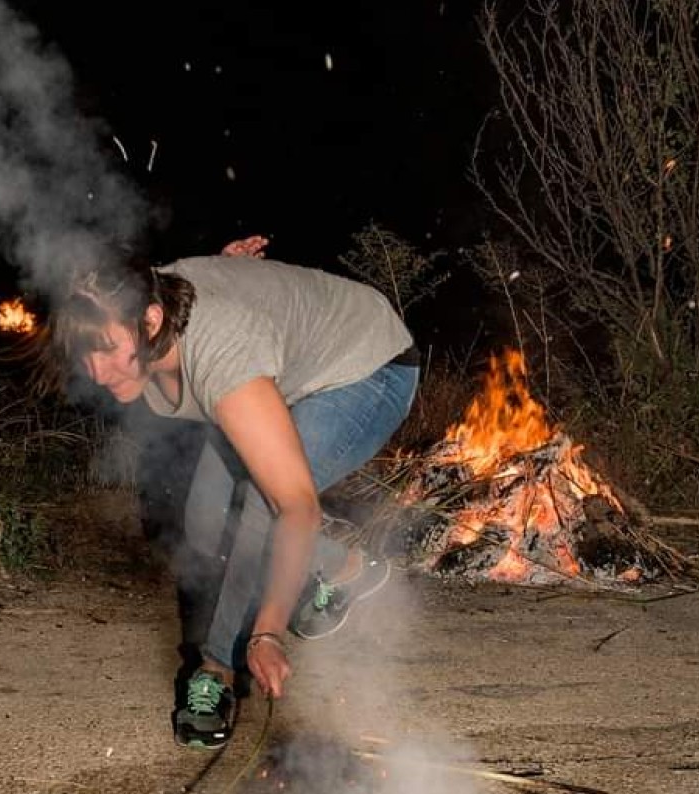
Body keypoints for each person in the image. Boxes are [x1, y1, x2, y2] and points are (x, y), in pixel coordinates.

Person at [42, 237, 419, 749]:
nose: (97, 373)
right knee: (204, 519)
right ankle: (345, 568)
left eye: (107, 351)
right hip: (283, 369)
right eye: (87, 356)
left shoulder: (223, 356)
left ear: (151, 322)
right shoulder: (137, 298)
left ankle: (216, 671)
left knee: (258, 511)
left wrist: (267, 632)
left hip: (365, 370)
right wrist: (236, 276)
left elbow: (296, 508)